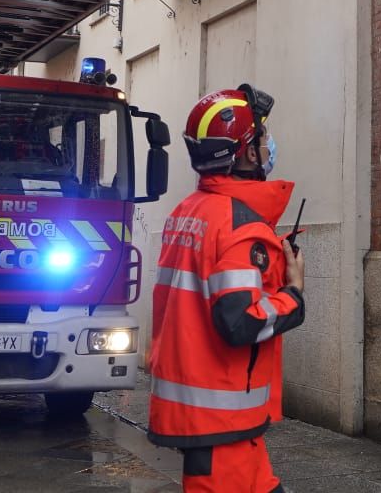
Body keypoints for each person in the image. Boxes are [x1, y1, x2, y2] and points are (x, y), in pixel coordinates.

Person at [148, 83, 304, 492]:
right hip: (221, 422)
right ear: (247, 152)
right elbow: (238, 323)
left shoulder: (187, 211)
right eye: (263, 136)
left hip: (221, 425)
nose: (269, 144)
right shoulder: (239, 225)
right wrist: (294, 293)